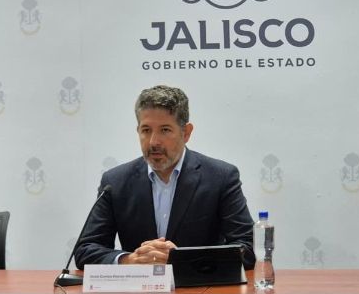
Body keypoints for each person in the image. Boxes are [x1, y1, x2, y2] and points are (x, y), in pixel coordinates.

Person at [74, 85, 256, 269]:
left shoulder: (220, 178)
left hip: (198, 293)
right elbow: (85, 250)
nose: (154, 142)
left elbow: (246, 250)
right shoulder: (115, 182)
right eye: (146, 130)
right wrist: (129, 260)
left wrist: (182, 259)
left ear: (186, 133)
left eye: (165, 130)